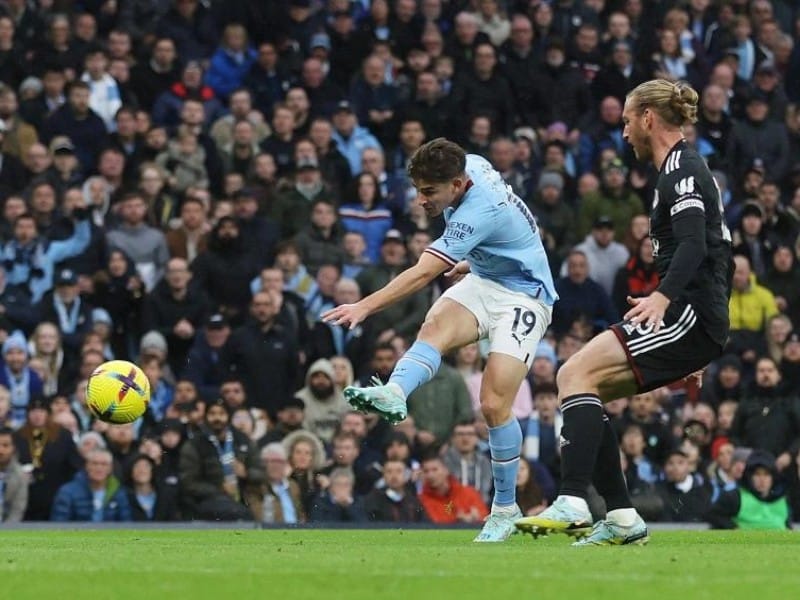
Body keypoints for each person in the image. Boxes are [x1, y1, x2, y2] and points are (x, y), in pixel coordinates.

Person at [516, 80, 733, 546]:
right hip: (695, 317)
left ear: (649, 118)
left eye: (628, 121)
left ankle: (574, 499)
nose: (625, 132)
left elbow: (697, 246)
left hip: (686, 312)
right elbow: (721, 253)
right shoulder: (679, 170)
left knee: (573, 373)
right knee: (584, 385)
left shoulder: (684, 169)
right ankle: (620, 515)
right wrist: (701, 337)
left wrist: (664, 299)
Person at [323, 138, 557, 542]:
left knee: (493, 403)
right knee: (434, 327)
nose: (420, 200)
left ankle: (504, 508)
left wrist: (364, 307)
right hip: (486, 277)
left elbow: (421, 273)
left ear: (458, 184)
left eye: (429, 192)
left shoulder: (476, 210)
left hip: (525, 295)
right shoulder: (475, 165)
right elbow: (518, 221)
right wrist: (482, 256)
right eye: (417, 189)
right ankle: (396, 392)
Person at [50, 448, 131, 522]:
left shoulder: (118, 493)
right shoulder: (67, 492)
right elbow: (59, 524)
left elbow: (126, 524)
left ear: (110, 468)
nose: (99, 468)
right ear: (87, 466)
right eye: (94, 463)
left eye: (104, 464)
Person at [0, 426, 27, 522]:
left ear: (13, 448)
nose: (1, 450)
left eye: (5, 445)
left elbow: (17, 510)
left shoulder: (20, 475)